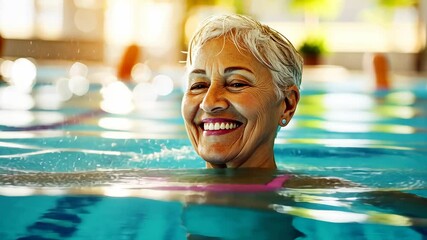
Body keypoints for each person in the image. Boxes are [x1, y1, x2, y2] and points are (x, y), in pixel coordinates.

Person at [181, 14, 303, 169]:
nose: (209, 103)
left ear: (287, 105)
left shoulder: (319, 191)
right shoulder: (156, 185)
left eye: (236, 84)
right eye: (198, 86)